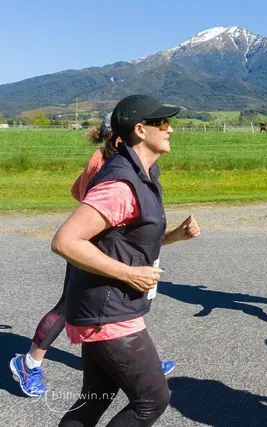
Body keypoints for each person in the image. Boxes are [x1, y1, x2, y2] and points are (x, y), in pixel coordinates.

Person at [52, 95, 200, 427]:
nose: (170, 129)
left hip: (106, 309)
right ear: (140, 129)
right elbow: (66, 241)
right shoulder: (120, 184)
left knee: (96, 396)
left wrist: (175, 235)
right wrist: (129, 274)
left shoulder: (143, 174)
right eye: (162, 123)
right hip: (108, 313)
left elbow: (125, 238)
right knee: (152, 399)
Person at [9, 114, 177, 398]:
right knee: (68, 307)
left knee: (123, 301)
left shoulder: (119, 161)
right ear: (123, 136)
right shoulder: (106, 163)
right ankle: (29, 363)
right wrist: (99, 219)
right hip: (93, 249)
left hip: (111, 247)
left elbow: (77, 190)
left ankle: (141, 360)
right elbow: (82, 200)